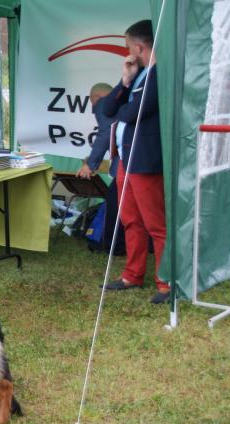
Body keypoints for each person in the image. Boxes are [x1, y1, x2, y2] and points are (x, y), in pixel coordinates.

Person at [100, 19, 170, 304]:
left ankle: (166, 282)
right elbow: (108, 108)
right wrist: (125, 80)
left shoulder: (158, 74)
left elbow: (132, 113)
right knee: (130, 219)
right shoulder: (139, 74)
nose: (129, 53)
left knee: (156, 223)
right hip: (125, 159)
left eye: (130, 47)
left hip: (145, 160)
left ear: (139, 46)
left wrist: (126, 105)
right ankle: (133, 273)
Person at [77, 83, 125, 255]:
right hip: (140, 161)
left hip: (126, 165)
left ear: (96, 97)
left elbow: (106, 133)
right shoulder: (122, 102)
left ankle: (114, 245)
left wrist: (91, 164)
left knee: (115, 205)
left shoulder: (103, 104)